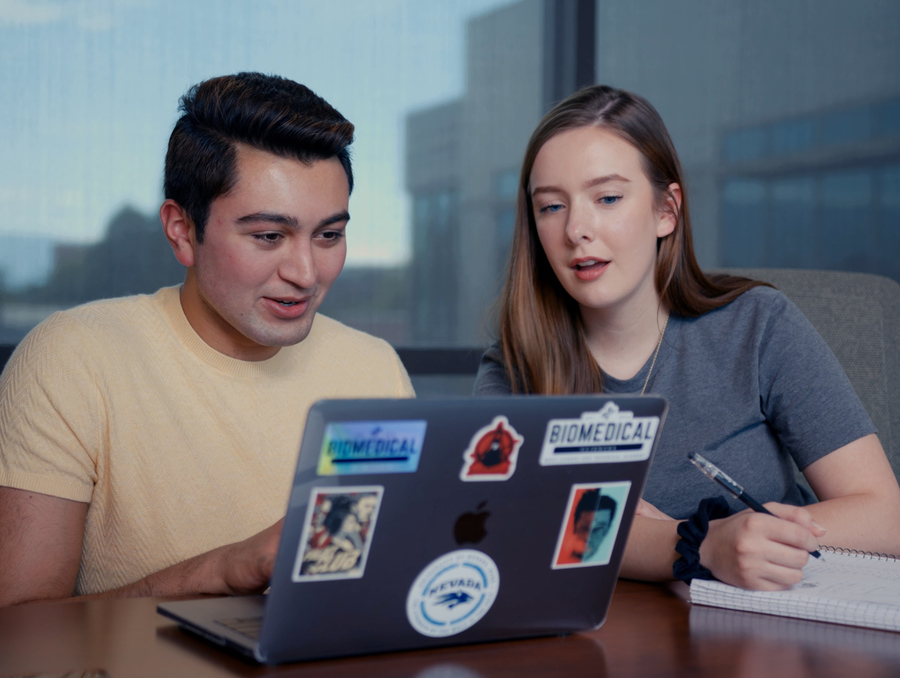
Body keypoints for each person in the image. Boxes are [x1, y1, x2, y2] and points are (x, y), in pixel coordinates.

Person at [0, 72, 414, 605]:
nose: (307, 273)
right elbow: (19, 632)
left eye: (329, 235)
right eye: (269, 236)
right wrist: (225, 570)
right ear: (181, 230)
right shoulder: (73, 360)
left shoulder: (374, 367)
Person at [474, 84, 900, 591]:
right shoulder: (513, 366)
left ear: (666, 211)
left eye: (607, 198)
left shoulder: (758, 324)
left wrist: (728, 537)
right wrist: (702, 543)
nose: (576, 230)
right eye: (551, 207)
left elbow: (885, 516)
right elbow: (513, 527)